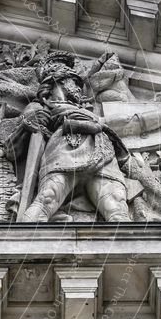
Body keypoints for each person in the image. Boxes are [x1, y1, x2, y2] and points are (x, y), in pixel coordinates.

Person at [17, 55, 131, 222]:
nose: (79, 88)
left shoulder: (87, 111)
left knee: (117, 207)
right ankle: (20, 240)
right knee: (48, 198)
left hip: (102, 149)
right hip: (66, 144)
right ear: (56, 84)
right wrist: (32, 121)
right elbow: (25, 123)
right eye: (73, 82)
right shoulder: (42, 105)